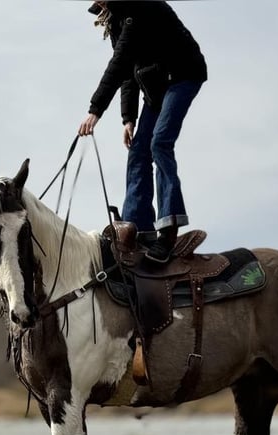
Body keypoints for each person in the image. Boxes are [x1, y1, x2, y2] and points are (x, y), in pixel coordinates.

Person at [78, 1, 207, 263]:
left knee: (159, 143)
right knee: (138, 150)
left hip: (182, 76)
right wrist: (129, 118)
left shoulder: (139, 8)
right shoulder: (115, 18)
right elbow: (127, 73)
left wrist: (95, 110)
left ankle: (168, 231)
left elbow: (118, 63)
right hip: (155, 88)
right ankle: (138, 229)